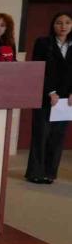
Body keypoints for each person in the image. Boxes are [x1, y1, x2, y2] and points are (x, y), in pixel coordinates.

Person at [25, 11, 72, 184]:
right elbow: (38, 69)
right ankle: (35, 173)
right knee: (41, 134)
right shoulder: (43, 43)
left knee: (57, 137)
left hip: (66, 100)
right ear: (53, 25)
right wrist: (50, 92)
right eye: (59, 22)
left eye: (67, 22)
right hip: (44, 95)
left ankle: (49, 173)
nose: (63, 26)